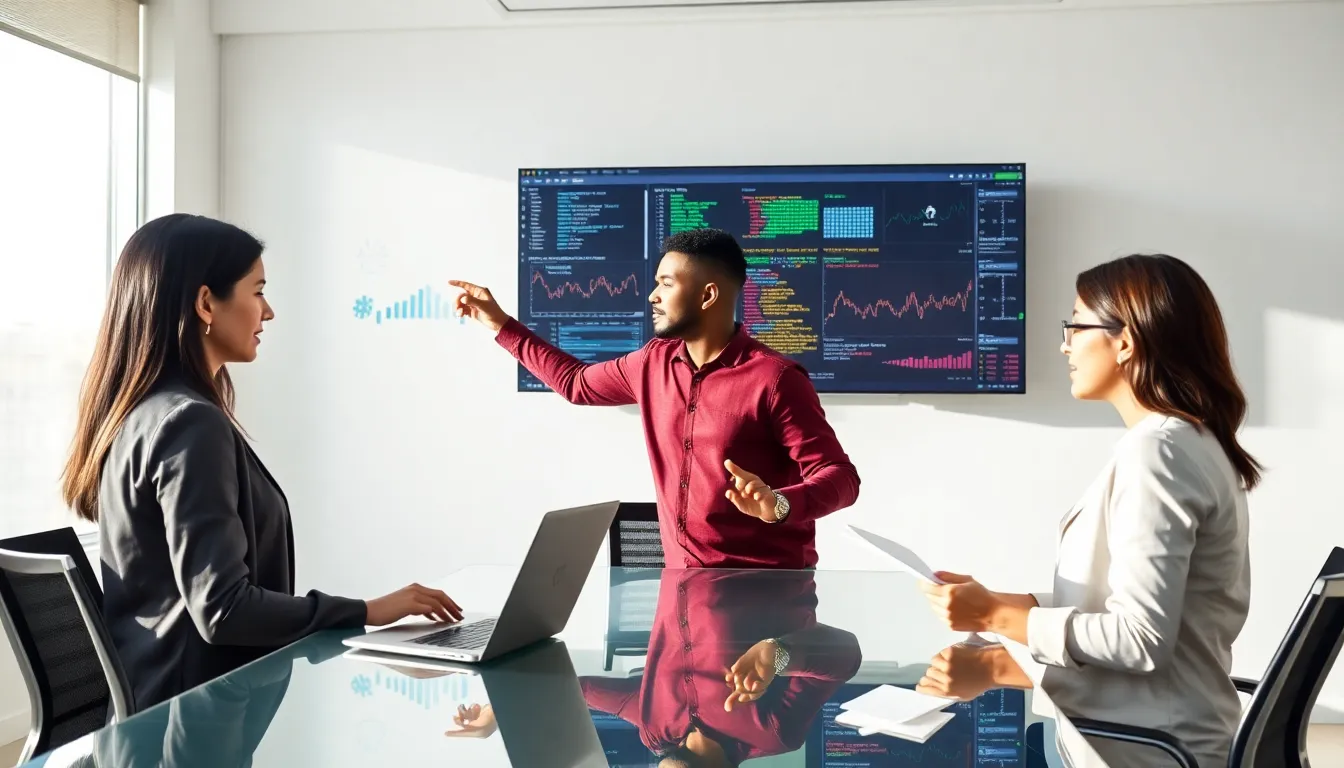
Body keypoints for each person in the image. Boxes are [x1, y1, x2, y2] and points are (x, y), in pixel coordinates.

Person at [61, 213, 463, 710]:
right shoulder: (190, 423)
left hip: (161, 712)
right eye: (257, 291)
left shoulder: (142, 413)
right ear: (207, 302)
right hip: (195, 725)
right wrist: (367, 611)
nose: (268, 312)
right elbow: (223, 608)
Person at [913, 254, 1259, 768]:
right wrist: (998, 605)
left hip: (1146, 749)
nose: (1064, 344)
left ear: (1126, 341)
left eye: (1075, 325)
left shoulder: (1159, 452)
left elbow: (1139, 639)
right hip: (1148, 734)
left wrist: (992, 616)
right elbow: (1130, 601)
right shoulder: (1187, 442)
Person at [450, 228, 860, 569]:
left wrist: (780, 505)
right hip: (679, 600)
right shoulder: (652, 362)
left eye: (666, 283)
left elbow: (841, 478)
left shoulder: (776, 379)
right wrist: (501, 325)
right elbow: (576, 383)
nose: (652, 296)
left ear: (707, 295)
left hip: (769, 601)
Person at [580, 569, 862, 767]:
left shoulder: (655, 730)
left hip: (687, 540)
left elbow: (574, 691)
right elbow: (846, 655)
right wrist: (778, 653)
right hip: (762, 547)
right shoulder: (774, 733)